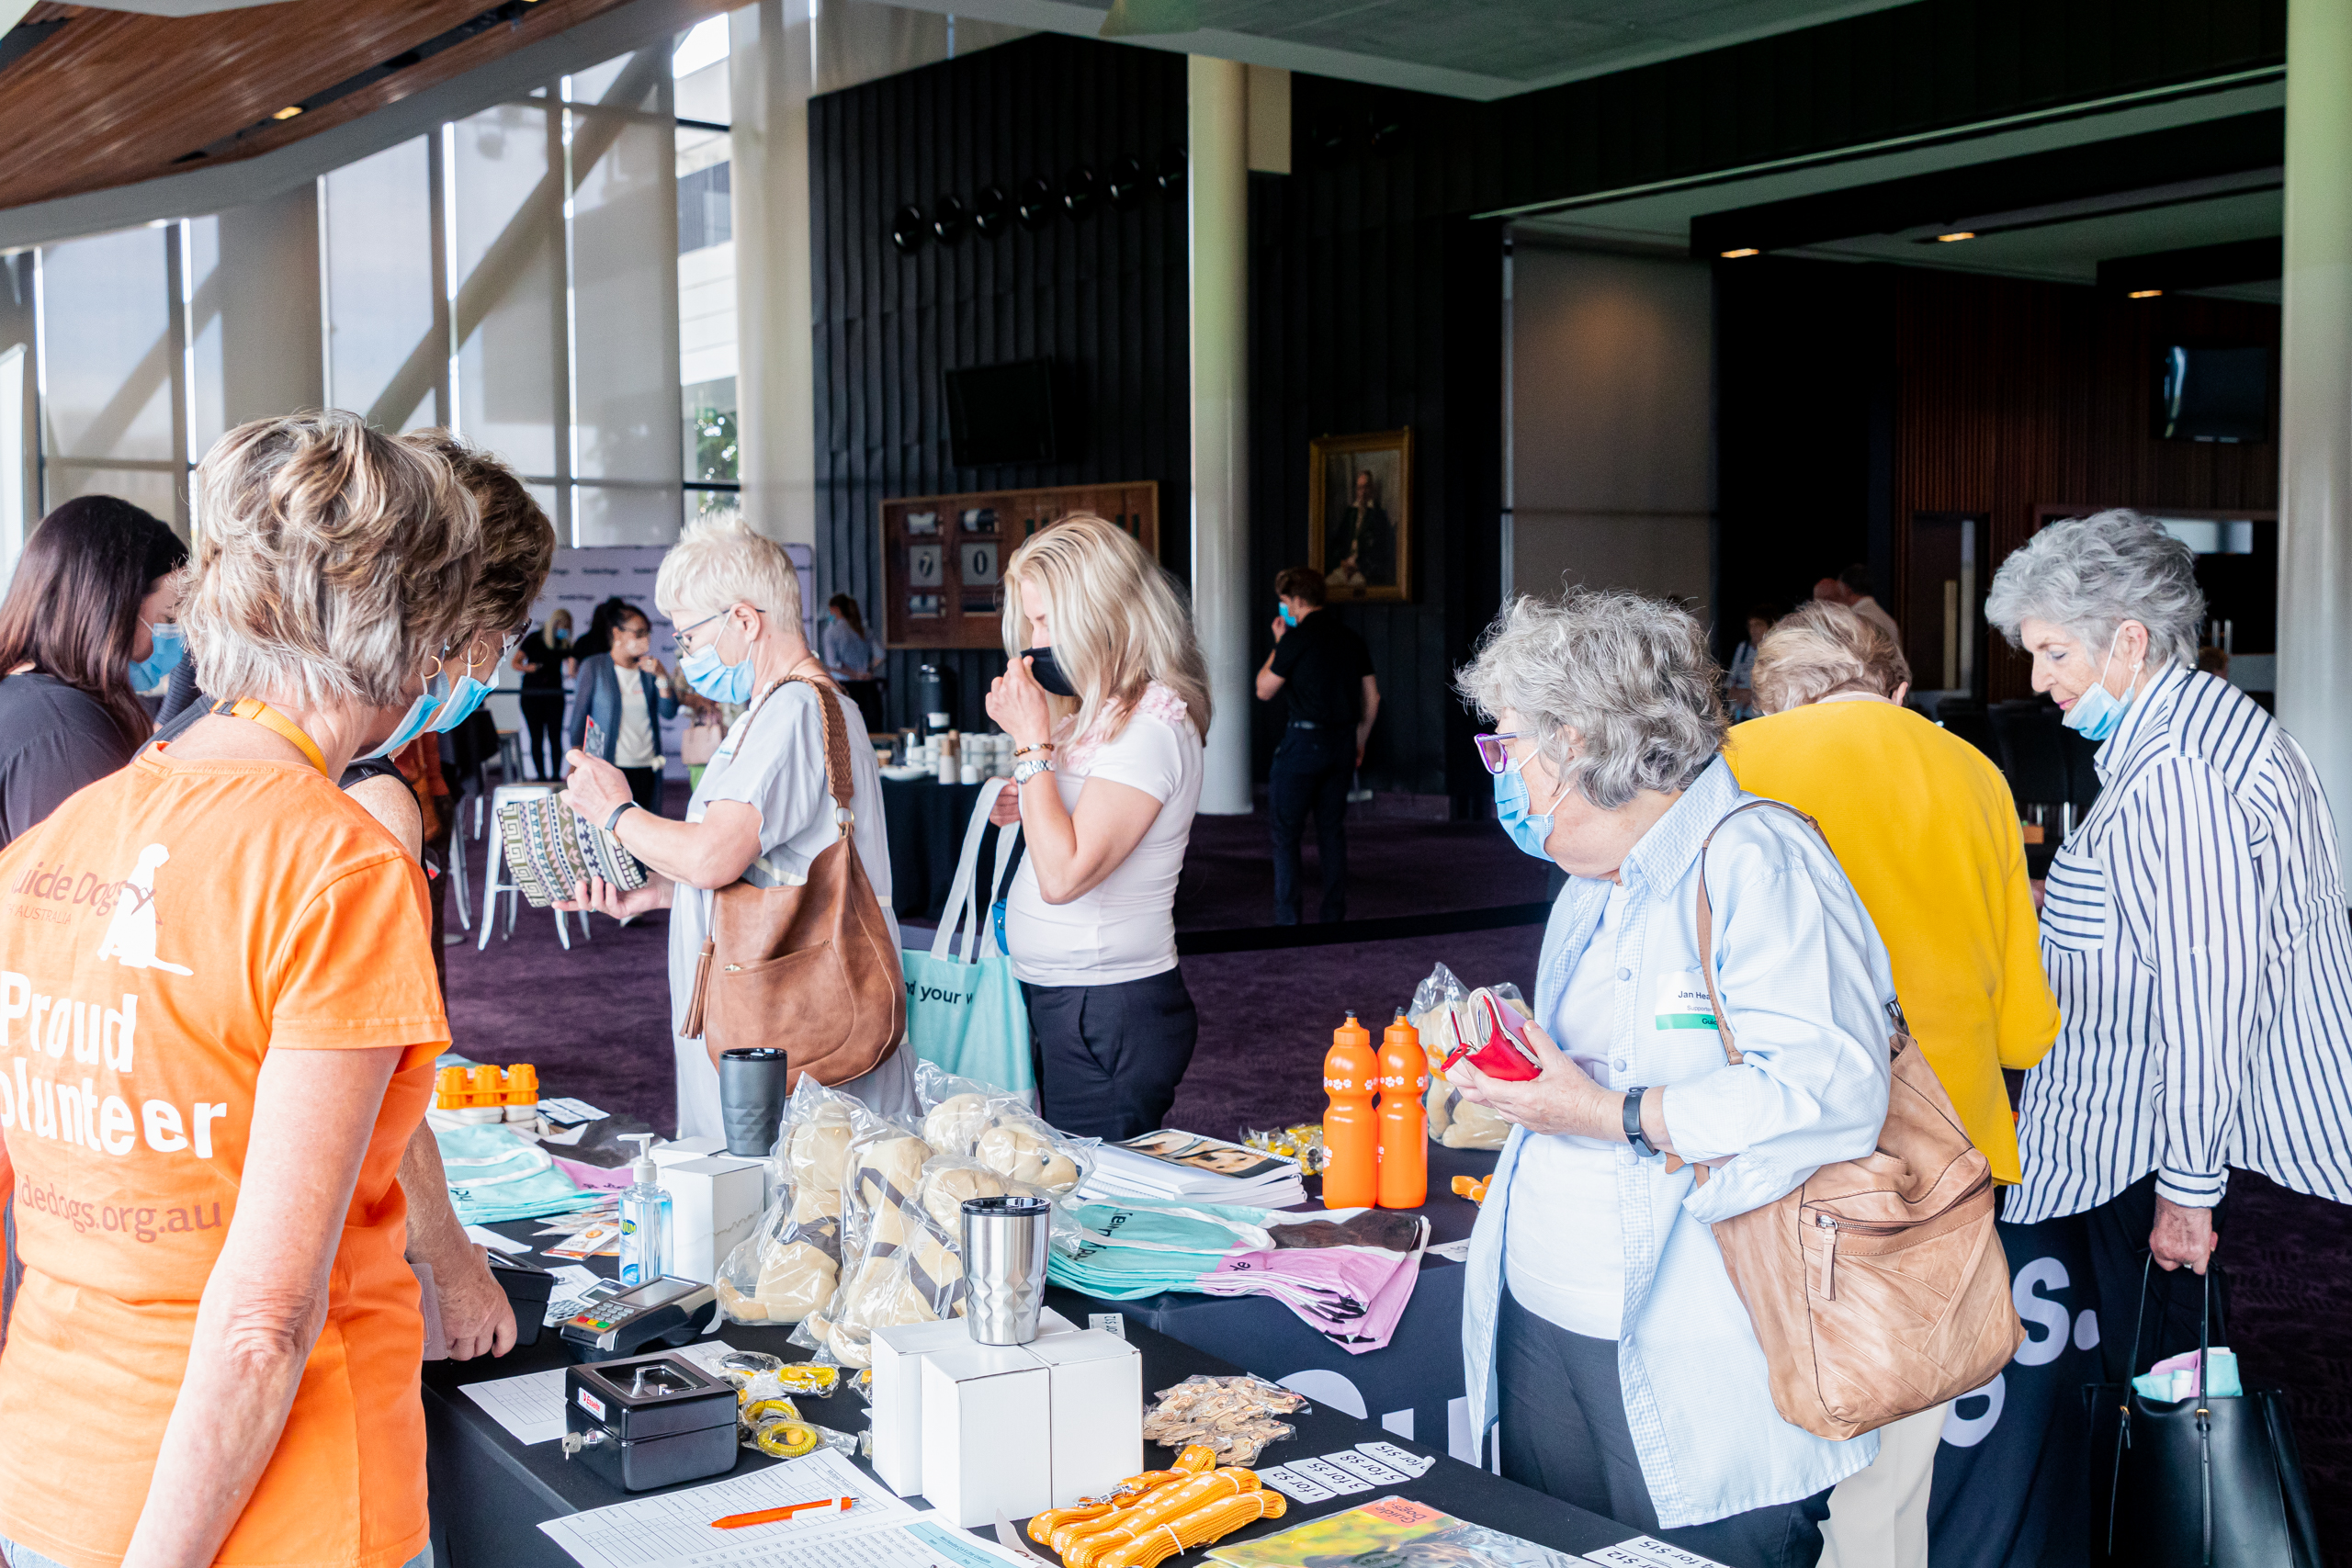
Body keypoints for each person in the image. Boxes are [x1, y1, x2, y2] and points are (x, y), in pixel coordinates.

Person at [0, 411, 480, 1568]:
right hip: (277, 1511)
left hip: (54, 1469)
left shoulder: (62, 837)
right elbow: (263, 1320)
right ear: (410, 632)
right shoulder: (338, 866)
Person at [1453, 588, 1894, 1568]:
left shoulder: (1757, 860)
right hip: (1548, 1308)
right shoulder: (1590, 881)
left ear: (1576, 742)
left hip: (1703, 1341)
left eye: (1506, 744)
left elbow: (1827, 1092)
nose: (1501, 772)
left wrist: (1607, 1112)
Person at [1723, 600, 2059, 1568]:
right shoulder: (1975, 770)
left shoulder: (1732, 763)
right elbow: (2024, 1025)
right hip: (1936, 1163)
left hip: (1772, 1157)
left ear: (1769, 690)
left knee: (1756, 1470)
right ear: (1896, 687)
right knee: (1891, 1487)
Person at [1986, 509, 2352, 1388]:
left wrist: (2188, 1192)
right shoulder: (2206, 727)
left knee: (2167, 1403)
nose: (2038, 679)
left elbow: (2207, 989)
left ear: (2129, 640)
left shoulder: (2176, 771)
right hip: (2178, 1132)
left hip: (2164, 1145)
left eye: (2056, 652)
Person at [556, 516, 914, 1136]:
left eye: (689, 635)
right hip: (774, 1016)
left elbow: (713, 856)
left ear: (744, 620)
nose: (683, 654)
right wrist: (664, 894)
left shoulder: (793, 711)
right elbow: (770, 870)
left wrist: (615, 811)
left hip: (785, 1030)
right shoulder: (787, 708)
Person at [984, 514, 1211, 1141]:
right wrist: (1029, 791)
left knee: (1091, 1191)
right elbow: (1070, 823)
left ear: (1100, 612)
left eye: (1046, 621)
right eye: (1030, 624)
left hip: (1106, 1007)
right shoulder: (1099, 713)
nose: (1034, 643)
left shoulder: (1151, 726)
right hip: (1068, 997)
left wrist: (1031, 745)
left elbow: (1063, 877)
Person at [0, 496, 188, 847]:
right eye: (169, 617)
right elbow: (102, 870)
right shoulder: (66, 733)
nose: (178, 637)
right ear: (115, 607)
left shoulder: (21, 699)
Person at [1254, 565, 1379, 924]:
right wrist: (1360, 740)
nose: (1283, 607)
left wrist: (1279, 644)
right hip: (1342, 743)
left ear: (1295, 601)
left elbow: (1263, 689)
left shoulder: (1296, 639)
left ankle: (1289, 920)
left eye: (1284, 601)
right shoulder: (1351, 638)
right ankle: (1333, 915)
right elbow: (1372, 697)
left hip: (1303, 744)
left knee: (1286, 834)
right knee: (1331, 831)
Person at [567, 599, 678, 815]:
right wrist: (576, 758)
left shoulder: (649, 671)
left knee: (645, 825)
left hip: (647, 766)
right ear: (617, 633)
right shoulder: (594, 667)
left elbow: (668, 712)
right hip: (609, 766)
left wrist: (662, 677)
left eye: (648, 633)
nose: (645, 639)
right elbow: (579, 717)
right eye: (639, 633)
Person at [516, 607, 573, 779]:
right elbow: (515, 663)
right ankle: (540, 776)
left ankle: (555, 776)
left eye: (567, 627)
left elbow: (572, 667)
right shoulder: (534, 638)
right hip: (532, 696)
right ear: (555, 623)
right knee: (537, 737)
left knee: (555, 737)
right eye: (562, 625)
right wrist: (530, 668)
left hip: (554, 696)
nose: (564, 630)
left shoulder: (563, 643)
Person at [821, 592, 888, 735]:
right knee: (870, 734)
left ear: (835, 609)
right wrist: (867, 670)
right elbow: (880, 655)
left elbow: (833, 664)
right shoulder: (864, 629)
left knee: (847, 735)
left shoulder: (831, 632)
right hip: (868, 689)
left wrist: (853, 674)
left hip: (845, 689)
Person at [1326, 468, 1394, 590]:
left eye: (1366, 487)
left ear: (1371, 489)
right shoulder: (1350, 513)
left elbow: (1380, 552)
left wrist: (1359, 566)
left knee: (1356, 587)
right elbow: (1338, 542)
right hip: (1344, 567)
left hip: (1364, 571)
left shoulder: (1379, 516)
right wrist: (1342, 562)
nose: (1363, 492)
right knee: (1328, 584)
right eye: (1360, 488)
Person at [1814, 565, 1899, 646]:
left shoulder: (1853, 620)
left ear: (1846, 588)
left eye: (1838, 586)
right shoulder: (1889, 621)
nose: (1837, 591)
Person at [1723, 604, 1775, 720]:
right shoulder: (1743, 648)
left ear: (1769, 627)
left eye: (1758, 625)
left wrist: (1752, 695)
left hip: (1760, 715)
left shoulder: (1774, 651)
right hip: (1739, 713)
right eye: (1750, 625)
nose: (1753, 630)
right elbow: (1732, 677)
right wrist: (1733, 692)